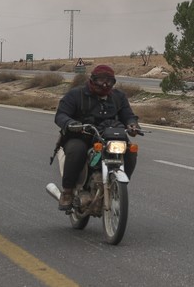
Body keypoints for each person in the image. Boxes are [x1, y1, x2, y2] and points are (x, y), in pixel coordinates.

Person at [53, 64, 141, 210]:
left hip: (109, 136)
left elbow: (128, 115)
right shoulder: (76, 94)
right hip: (82, 136)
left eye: (109, 81)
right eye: (101, 80)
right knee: (77, 150)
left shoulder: (118, 97)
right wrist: (71, 123)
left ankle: (118, 186)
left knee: (130, 150)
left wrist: (132, 125)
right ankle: (67, 192)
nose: (105, 84)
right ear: (92, 80)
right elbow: (60, 115)